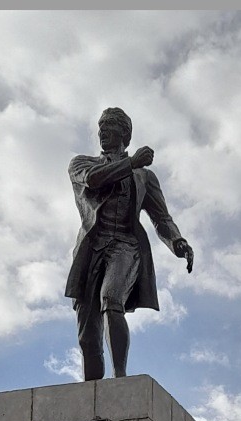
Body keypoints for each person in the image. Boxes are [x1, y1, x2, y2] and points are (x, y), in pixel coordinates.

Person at [66, 107, 194, 380]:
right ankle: (93, 396)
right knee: (88, 337)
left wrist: (177, 241)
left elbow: (161, 218)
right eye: (100, 128)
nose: (102, 133)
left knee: (111, 299)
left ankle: (120, 379)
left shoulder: (145, 177)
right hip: (91, 249)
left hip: (125, 245)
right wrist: (131, 163)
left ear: (124, 134)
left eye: (109, 128)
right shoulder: (81, 163)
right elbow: (93, 180)